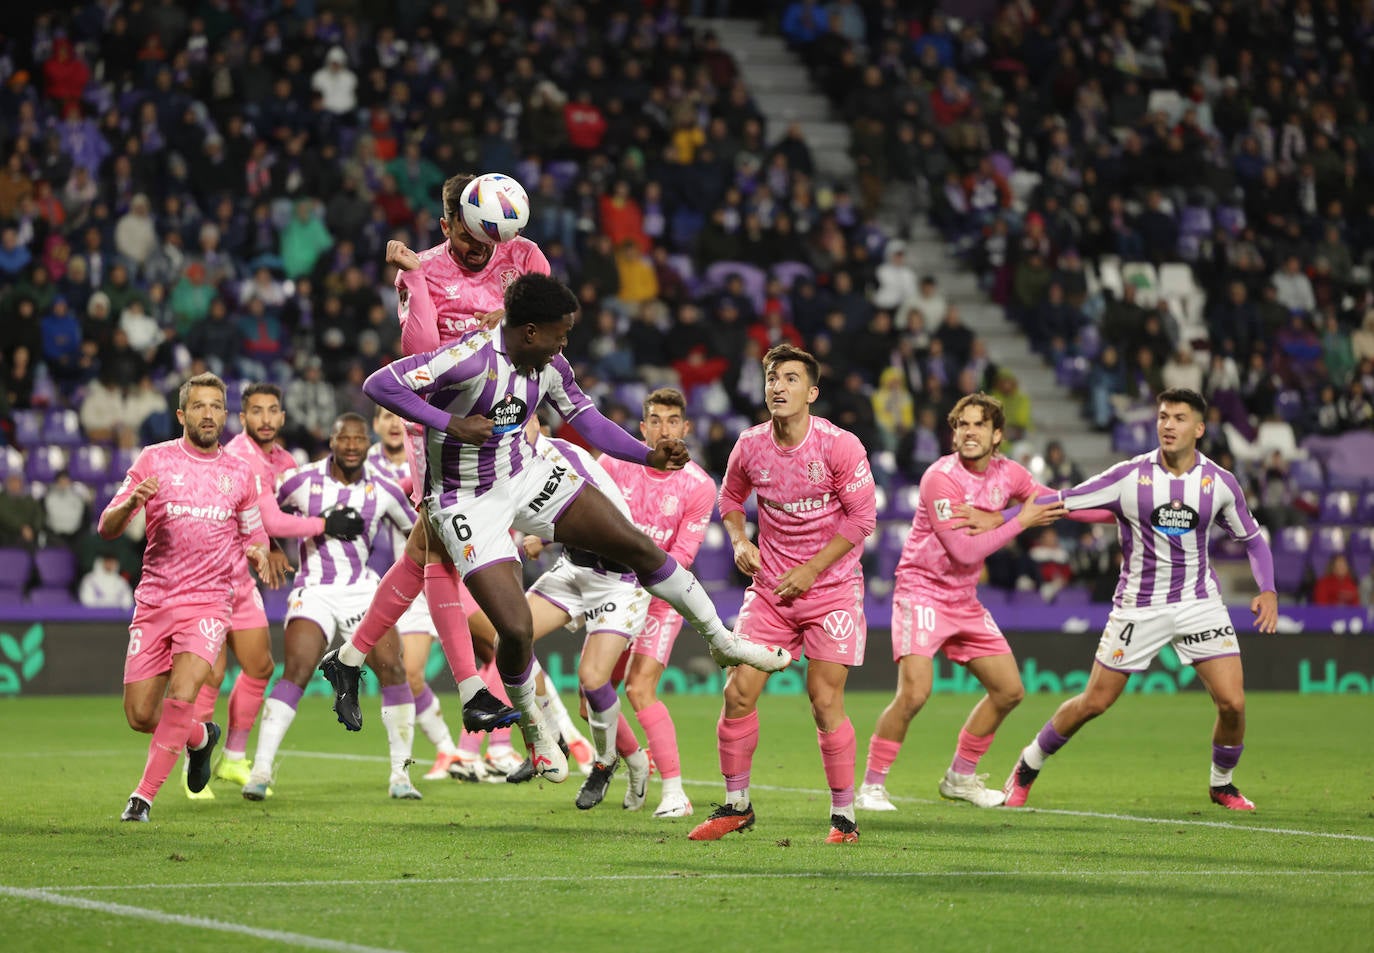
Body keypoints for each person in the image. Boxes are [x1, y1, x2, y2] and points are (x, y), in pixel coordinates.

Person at [332, 273, 790, 783]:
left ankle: (721, 640)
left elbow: (587, 418)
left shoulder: (548, 363)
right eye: (559, 333)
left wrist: (648, 457)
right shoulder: (470, 358)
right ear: (529, 331)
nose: (564, 342)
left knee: (634, 545)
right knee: (516, 628)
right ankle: (534, 727)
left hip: (525, 473)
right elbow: (381, 384)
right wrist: (451, 423)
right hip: (467, 501)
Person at [323, 172, 551, 737]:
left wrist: (515, 318)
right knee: (442, 554)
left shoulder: (521, 254)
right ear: (448, 224)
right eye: (470, 237)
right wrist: (416, 281)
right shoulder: (420, 268)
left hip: (504, 423)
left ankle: (349, 661)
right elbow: (417, 355)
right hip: (447, 431)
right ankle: (471, 688)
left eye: (487, 240)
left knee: (428, 549)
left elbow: (546, 326)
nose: (481, 249)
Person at [1001, 388, 1279, 811]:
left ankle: (1222, 784)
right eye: (1163, 416)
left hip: (1198, 602)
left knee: (1233, 703)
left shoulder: (1220, 483)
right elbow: (1061, 502)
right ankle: (1028, 764)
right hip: (1139, 606)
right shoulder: (1129, 476)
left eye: (1179, 418)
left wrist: (1269, 590)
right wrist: (999, 519)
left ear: (1199, 428)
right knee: (1094, 702)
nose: (1168, 425)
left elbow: (1254, 541)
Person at [855, 393, 1088, 813]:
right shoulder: (939, 478)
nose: (969, 432)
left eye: (979, 424)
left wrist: (1123, 506)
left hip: (963, 598)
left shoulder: (1009, 474)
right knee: (914, 694)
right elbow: (963, 551)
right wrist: (1019, 520)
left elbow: (1055, 502)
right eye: (962, 424)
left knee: (1009, 690)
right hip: (921, 589)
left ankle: (960, 777)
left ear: (998, 434)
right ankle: (872, 786)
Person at [687, 344, 877, 845]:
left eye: (791, 378)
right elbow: (729, 498)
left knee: (823, 699)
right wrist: (739, 538)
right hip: (771, 592)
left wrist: (813, 570)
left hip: (831, 590)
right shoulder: (750, 445)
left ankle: (844, 817)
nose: (778, 386)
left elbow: (863, 518)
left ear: (811, 392)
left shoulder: (840, 446)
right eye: (772, 377)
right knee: (738, 692)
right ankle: (736, 806)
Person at [98, 372, 282, 822]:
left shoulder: (240, 473)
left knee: (183, 695)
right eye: (199, 406)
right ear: (182, 414)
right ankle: (200, 737)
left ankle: (141, 799)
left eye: (216, 406)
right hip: (155, 601)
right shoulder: (153, 460)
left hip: (209, 604)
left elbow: (254, 531)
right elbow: (107, 526)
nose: (208, 414)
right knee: (141, 715)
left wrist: (259, 552)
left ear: (224, 414)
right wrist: (128, 504)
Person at [242, 413, 421, 800]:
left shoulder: (384, 488)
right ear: (332, 441)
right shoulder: (301, 480)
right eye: (345, 439)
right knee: (298, 668)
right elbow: (262, 513)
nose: (353, 445)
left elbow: (415, 529)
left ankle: (401, 776)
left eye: (359, 439)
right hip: (315, 591)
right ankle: (260, 771)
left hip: (362, 591)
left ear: (365, 442)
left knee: (393, 669)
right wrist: (270, 546)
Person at [205, 382, 365, 793]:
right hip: (210, 573)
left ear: (282, 417)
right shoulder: (240, 457)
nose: (265, 419)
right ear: (243, 419)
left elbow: (273, 520)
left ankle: (235, 759)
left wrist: (273, 546)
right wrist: (324, 525)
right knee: (210, 673)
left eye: (272, 410)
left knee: (259, 668)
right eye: (255, 411)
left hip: (243, 576)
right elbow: (273, 520)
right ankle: (196, 768)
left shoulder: (285, 460)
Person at [596, 387, 717, 818]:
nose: (663, 429)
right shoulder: (612, 464)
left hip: (661, 596)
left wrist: (641, 578)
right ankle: (636, 762)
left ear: (685, 429)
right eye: (655, 420)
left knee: (639, 688)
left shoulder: (699, 486)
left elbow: (683, 556)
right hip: (611, 591)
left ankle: (675, 793)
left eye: (672, 421)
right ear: (642, 428)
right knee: (593, 693)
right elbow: (581, 515)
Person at [366, 404, 478, 781]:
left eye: (398, 416)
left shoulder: (428, 452)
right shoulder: (365, 468)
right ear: (376, 425)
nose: (393, 423)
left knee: (498, 652)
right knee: (407, 674)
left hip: (441, 576)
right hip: (396, 583)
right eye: (384, 417)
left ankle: (517, 742)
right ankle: (450, 751)